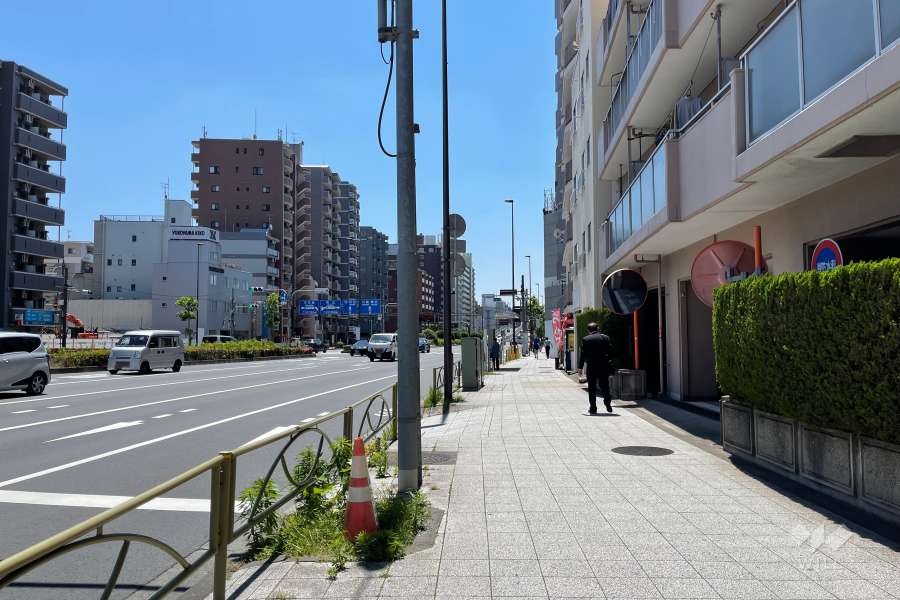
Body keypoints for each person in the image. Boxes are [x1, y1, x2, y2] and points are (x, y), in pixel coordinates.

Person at [578, 322, 613, 414]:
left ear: (588, 330)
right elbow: (611, 351)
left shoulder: (586, 339)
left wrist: (580, 368)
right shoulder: (606, 338)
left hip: (591, 367)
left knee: (592, 387)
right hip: (603, 366)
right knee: (605, 385)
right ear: (598, 329)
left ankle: (593, 408)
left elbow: (583, 355)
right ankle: (607, 403)